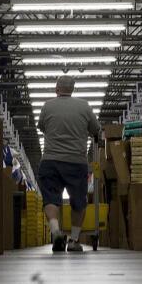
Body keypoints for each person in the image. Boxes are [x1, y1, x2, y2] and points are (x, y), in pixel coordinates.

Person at [36, 75, 102, 253]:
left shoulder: (47, 106)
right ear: (73, 89)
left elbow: (42, 127)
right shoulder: (84, 106)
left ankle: (56, 231)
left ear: (57, 89)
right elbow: (96, 130)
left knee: (51, 198)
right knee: (78, 202)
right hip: (76, 162)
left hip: (50, 161)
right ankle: (73, 241)